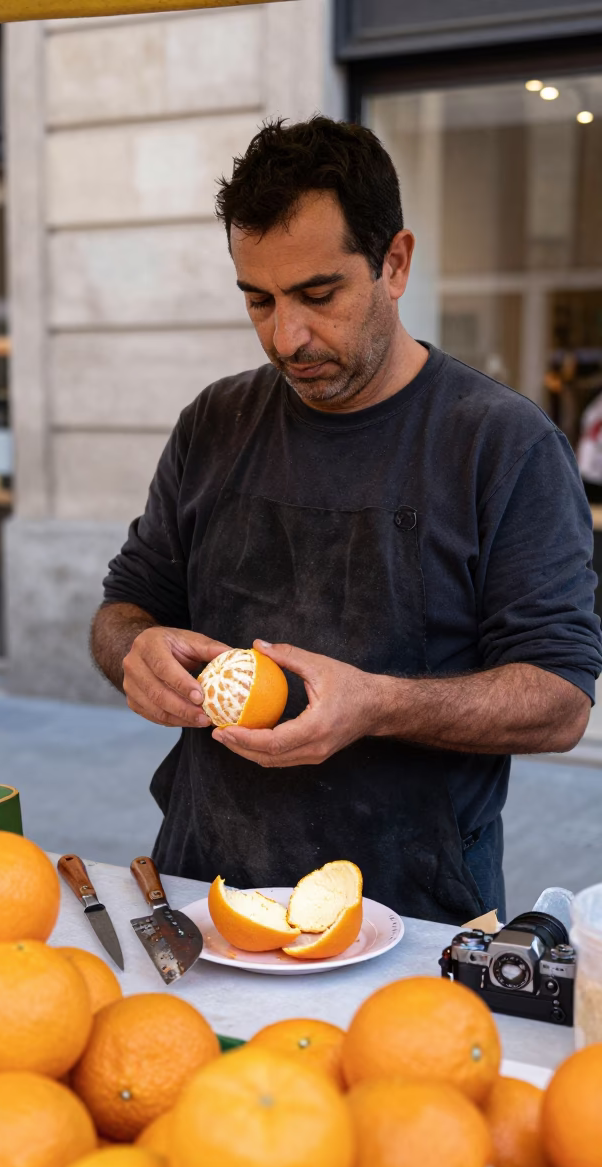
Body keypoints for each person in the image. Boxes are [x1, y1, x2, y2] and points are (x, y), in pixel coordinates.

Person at [91, 118, 602, 924]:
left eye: (317, 295)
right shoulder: (214, 422)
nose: (286, 337)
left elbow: (561, 699)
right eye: (258, 300)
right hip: (208, 888)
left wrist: (379, 704)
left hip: (414, 910)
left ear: (394, 264)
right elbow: (124, 606)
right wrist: (134, 650)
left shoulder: (502, 444)